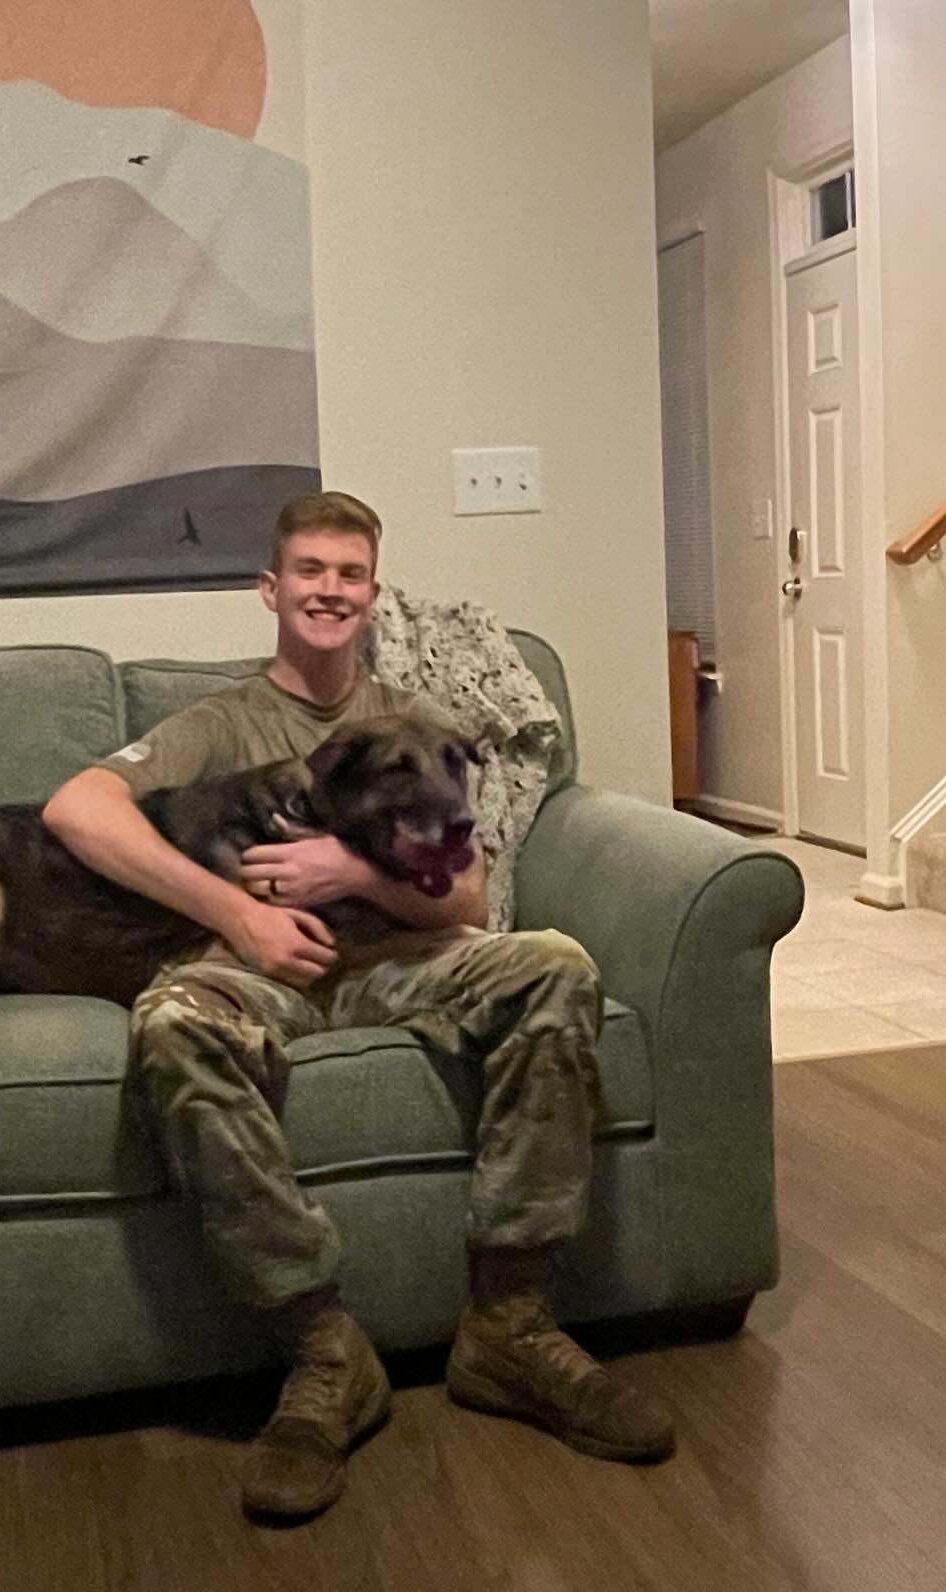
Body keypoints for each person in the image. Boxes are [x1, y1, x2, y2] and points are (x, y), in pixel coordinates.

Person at [42, 492, 674, 1520]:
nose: (330, 591)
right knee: (172, 1026)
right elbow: (76, 809)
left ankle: (510, 1328)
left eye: (350, 574)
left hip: (397, 961)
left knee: (554, 963)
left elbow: (467, 901)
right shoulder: (222, 722)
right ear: (272, 588)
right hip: (262, 967)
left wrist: (352, 870)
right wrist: (235, 914)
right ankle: (325, 1351)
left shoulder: (414, 725)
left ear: (372, 593)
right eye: (310, 570)